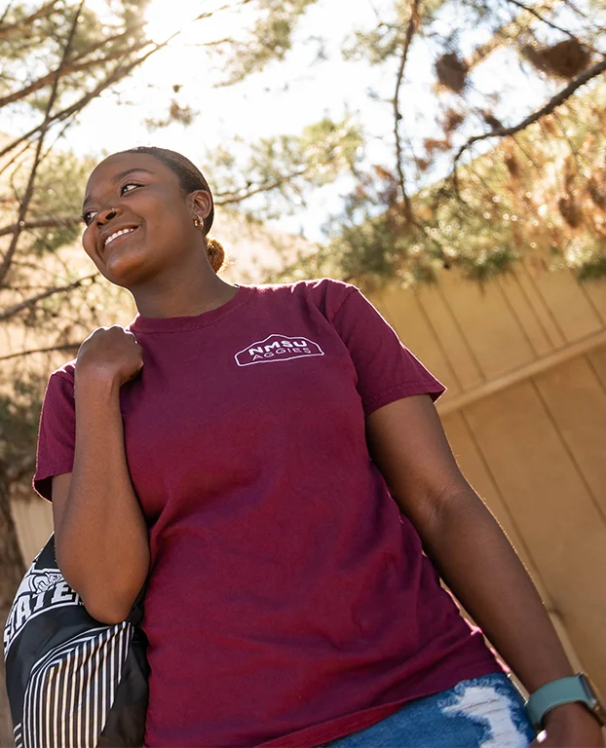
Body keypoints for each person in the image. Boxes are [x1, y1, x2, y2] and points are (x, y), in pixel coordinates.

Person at [31, 146, 605, 748]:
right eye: (89, 212)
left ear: (198, 205)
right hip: (220, 733)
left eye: (128, 189)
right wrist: (98, 387)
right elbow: (105, 590)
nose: (102, 216)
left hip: (435, 703)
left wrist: (558, 692)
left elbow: (442, 503)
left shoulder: (324, 311)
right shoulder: (76, 393)